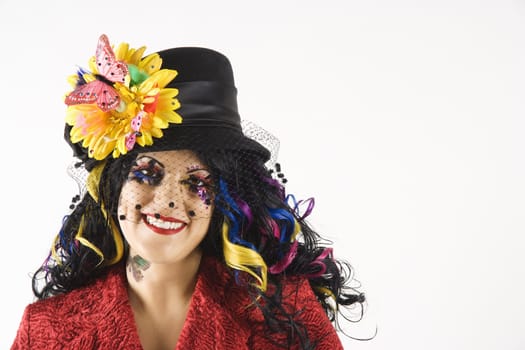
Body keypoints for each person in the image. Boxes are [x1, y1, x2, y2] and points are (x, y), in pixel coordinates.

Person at [11, 34, 366, 350]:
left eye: (197, 182)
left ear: (225, 199)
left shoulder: (290, 318)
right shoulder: (46, 331)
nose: (168, 199)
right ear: (113, 185)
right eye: (147, 174)